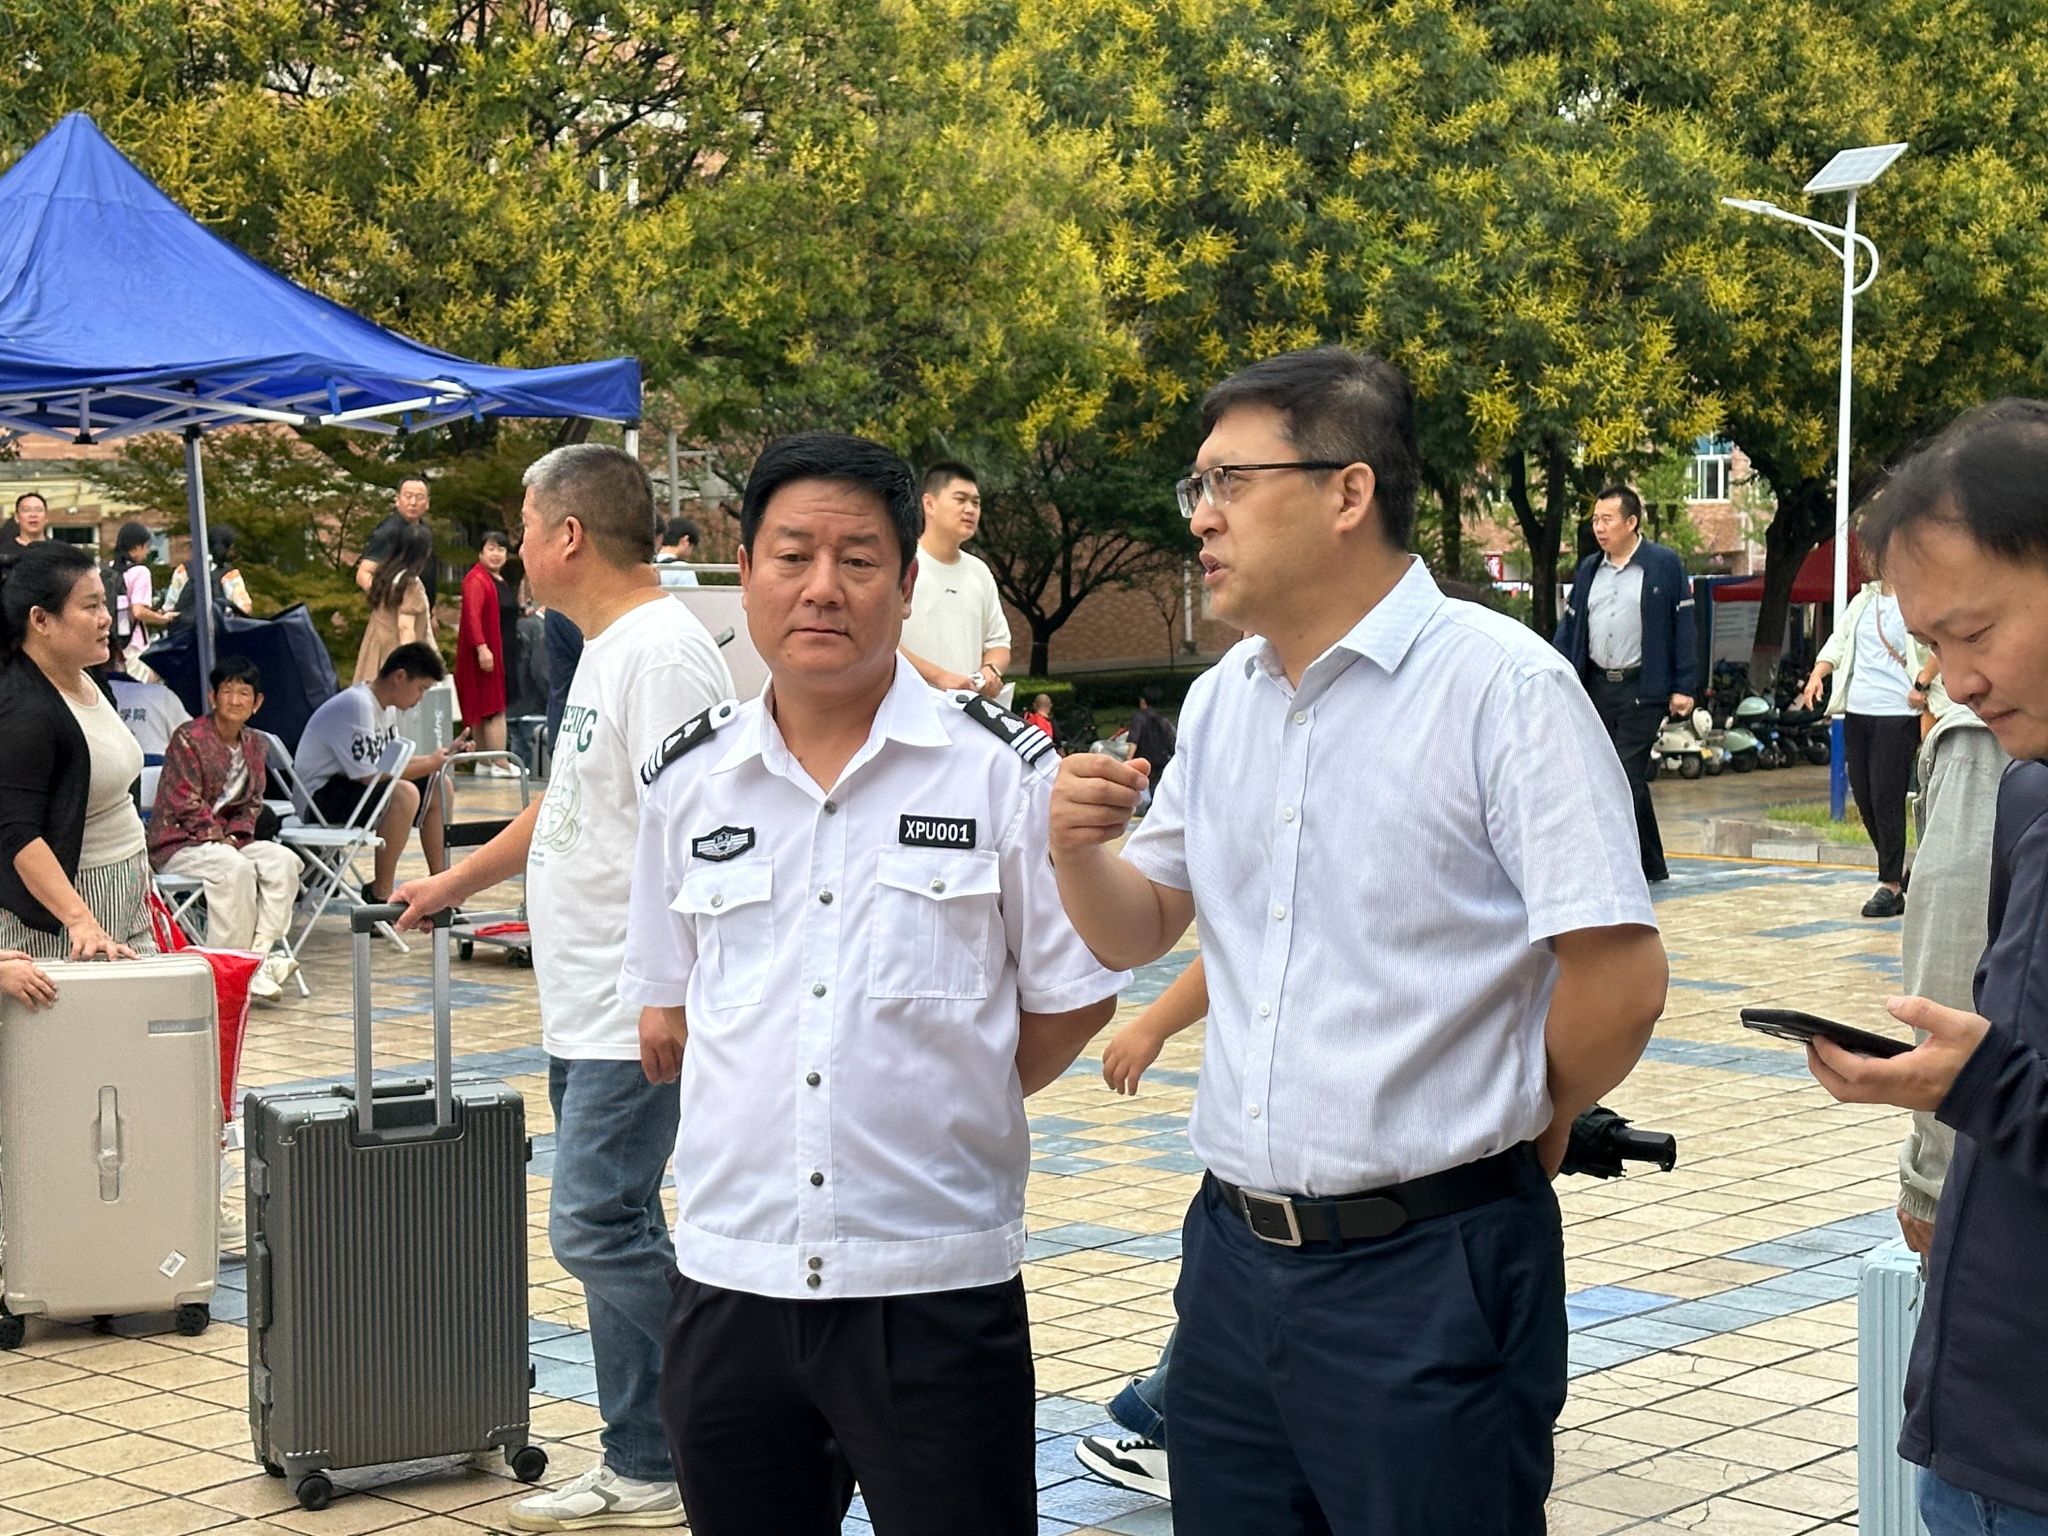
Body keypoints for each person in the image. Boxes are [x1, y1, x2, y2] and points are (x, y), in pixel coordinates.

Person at [1048, 346, 1665, 1534]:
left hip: (1430, 1269)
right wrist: (1078, 853)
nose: (1200, 517)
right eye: (1195, 487)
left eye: (1227, 482)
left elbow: (1619, 979)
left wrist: (1530, 1119)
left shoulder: (1500, 689)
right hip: (1231, 1261)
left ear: (1347, 492)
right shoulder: (1223, 701)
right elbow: (1141, 924)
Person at [618, 430, 1124, 1536]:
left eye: (857, 560)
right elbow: (673, 1000)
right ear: (743, 572)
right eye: (792, 555)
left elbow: (1075, 993)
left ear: (904, 585)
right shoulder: (689, 781)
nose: (822, 588)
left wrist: (948, 1093)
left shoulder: (999, 771)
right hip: (733, 1283)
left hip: (931, 1284)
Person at [389, 444, 731, 1534]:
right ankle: (645, 1461)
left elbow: (702, 834)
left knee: (592, 1226)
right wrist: (453, 881)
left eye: (527, 530)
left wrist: (668, 991)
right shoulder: (606, 648)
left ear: (568, 535)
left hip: (635, 1004)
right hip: (582, 1000)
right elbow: (567, 807)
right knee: (613, 1225)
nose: (516, 552)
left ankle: (756, 1382)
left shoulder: (662, 654)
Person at [1804, 398, 2048, 1533]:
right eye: (1930, 649)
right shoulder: (2028, 790)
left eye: (1973, 633)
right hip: (1983, 1411)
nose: (1956, 681)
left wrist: (1977, 1085)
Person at [1894, 676, 2007, 1256]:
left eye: (1968, 636)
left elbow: (1947, 983)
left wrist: (1936, 1186)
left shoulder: (1984, 739)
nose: (1956, 682)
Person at [0, 543, 156, 961]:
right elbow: (17, 834)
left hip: (127, 886)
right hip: (66, 910)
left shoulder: (88, 679)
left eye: (105, 603)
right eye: (90, 606)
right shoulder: (23, 709)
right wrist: (80, 919)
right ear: (41, 620)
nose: (106, 618)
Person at [1553, 485, 1697, 884]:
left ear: (1631, 522)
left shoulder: (1663, 565)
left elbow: (1684, 627)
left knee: (1623, 776)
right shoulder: (1588, 570)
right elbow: (1571, 629)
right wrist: (1557, 674)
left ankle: (1620, 867)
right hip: (1597, 686)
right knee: (1610, 775)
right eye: (1595, 520)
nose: (1599, 528)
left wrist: (1684, 686)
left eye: (1607, 520)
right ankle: (1651, 864)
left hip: (1643, 688)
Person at [148, 655, 303, 1003]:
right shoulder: (188, 738)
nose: (235, 700)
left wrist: (232, 838)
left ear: (257, 702)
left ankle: (257, 958)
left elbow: (253, 803)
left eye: (244, 693)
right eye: (227, 691)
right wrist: (221, 840)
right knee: (235, 869)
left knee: (282, 861)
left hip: (229, 842)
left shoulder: (256, 744)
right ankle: (227, 970)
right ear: (212, 697)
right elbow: (185, 800)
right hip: (180, 842)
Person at [1796, 563, 1932, 917]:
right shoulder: (1864, 600)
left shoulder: (1919, 596)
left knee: (1887, 796)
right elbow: (1838, 642)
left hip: (1898, 711)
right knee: (1866, 798)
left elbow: (1939, 645)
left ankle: (1890, 885)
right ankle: (1896, 869)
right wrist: (1817, 674)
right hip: (1858, 709)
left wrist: (1921, 684)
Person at [294, 642, 465, 903]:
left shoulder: (385, 707)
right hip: (318, 800)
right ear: (400, 677)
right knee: (404, 793)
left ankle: (440, 887)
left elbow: (392, 762)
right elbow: (371, 773)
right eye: (421, 688)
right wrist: (432, 762)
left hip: (348, 787)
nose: (420, 698)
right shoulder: (357, 705)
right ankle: (380, 892)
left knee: (440, 785)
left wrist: (441, 758)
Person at [898, 460, 1011, 702]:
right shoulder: (901, 563)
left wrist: (990, 671)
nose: (970, 509)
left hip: (967, 710)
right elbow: (882, 641)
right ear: (929, 503)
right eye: (960, 500)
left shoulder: (979, 571)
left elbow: (999, 642)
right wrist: (939, 677)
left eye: (976, 503)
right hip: (910, 705)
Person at [456, 532, 516, 772]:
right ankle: (500, 762)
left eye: (501, 549)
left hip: (501, 651)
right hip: (486, 653)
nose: (496, 554)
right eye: (491, 548)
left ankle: (484, 763)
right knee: (493, 707)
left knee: (486, 707)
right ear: (480, 553)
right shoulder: (476, 580)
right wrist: (482, 648)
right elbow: (472, 616)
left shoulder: (497, 580)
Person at [353, 520, 439, 685]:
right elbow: (406, 628)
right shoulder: (410, 585)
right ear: (425, 552)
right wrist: (412, 668)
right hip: (396, 657)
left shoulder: (385, 575)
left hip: (376, 647)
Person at [356, 475, 438, 604]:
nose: (413, 502)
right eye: (408, 496)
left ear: (427, 503)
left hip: (420, 606)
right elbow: (363, 574)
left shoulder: (424, 529)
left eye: (419, 497)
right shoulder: (388, 531)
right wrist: (387, 600)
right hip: (396, 608)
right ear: (397, 500)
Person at [107, 520, 170, 680]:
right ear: (135, 548)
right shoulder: (140, 572)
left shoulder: (109, 570)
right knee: (145, 686)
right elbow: (138, 611)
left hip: (113, 644)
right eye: (145, 547)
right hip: (133, 644)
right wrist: (162, 619)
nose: (147, 552)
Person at [163, 524, 255, 630]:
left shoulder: (183, 569)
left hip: (184, 634)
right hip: (217, 633)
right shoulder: (230, 575)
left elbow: (169, 606)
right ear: (228, 547)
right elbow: (244, 608)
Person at [109, 672, 193, 761]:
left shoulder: (100, 697)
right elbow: (190, 738)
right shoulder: (160, 694)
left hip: (110, 764)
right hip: (157, 765)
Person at [1124, 686, 1176, 801]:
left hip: (1145, 763)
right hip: (1162, 761)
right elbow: (1172, 741)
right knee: (1158, 793)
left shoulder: (1139, 718)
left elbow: (1133, 742)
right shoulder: (1163, 720)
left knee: (1145, 795)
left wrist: (1127, 761)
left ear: (1143, 701)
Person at [654, 515, 701, 588]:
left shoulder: (648, 564)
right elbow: (692, 594)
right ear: (685, 540)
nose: (691, 552)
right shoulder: (683, 569)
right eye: (692, 547)